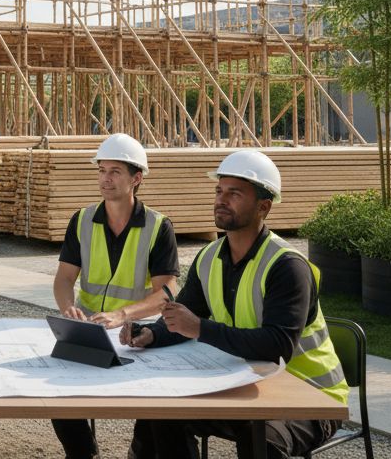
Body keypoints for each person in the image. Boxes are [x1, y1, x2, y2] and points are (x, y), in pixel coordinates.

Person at [127, 150, 347, 459]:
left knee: (262, 440)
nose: (221, 199)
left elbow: (277, 346)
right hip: (245, 383)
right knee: (161, 412)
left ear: (264, 207)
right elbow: (182, 319)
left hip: (310, 395)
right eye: (219, 190)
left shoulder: (287, 267)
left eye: (235, 193)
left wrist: (200, 329)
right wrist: (153, 334)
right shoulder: (209, 258)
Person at [49, 132, 178, 459]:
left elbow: (167, 292)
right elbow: (64, 279)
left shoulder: (158, 226)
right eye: (101, 170)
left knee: (156, 402)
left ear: (136, 178)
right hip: (87, 328)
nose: (105, 179)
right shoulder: (81, 221)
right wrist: (68, 308)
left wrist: (124, 316)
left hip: (138, 331)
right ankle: (82, 453)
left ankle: (139, 451)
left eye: (114, 172)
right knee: (54, 389)